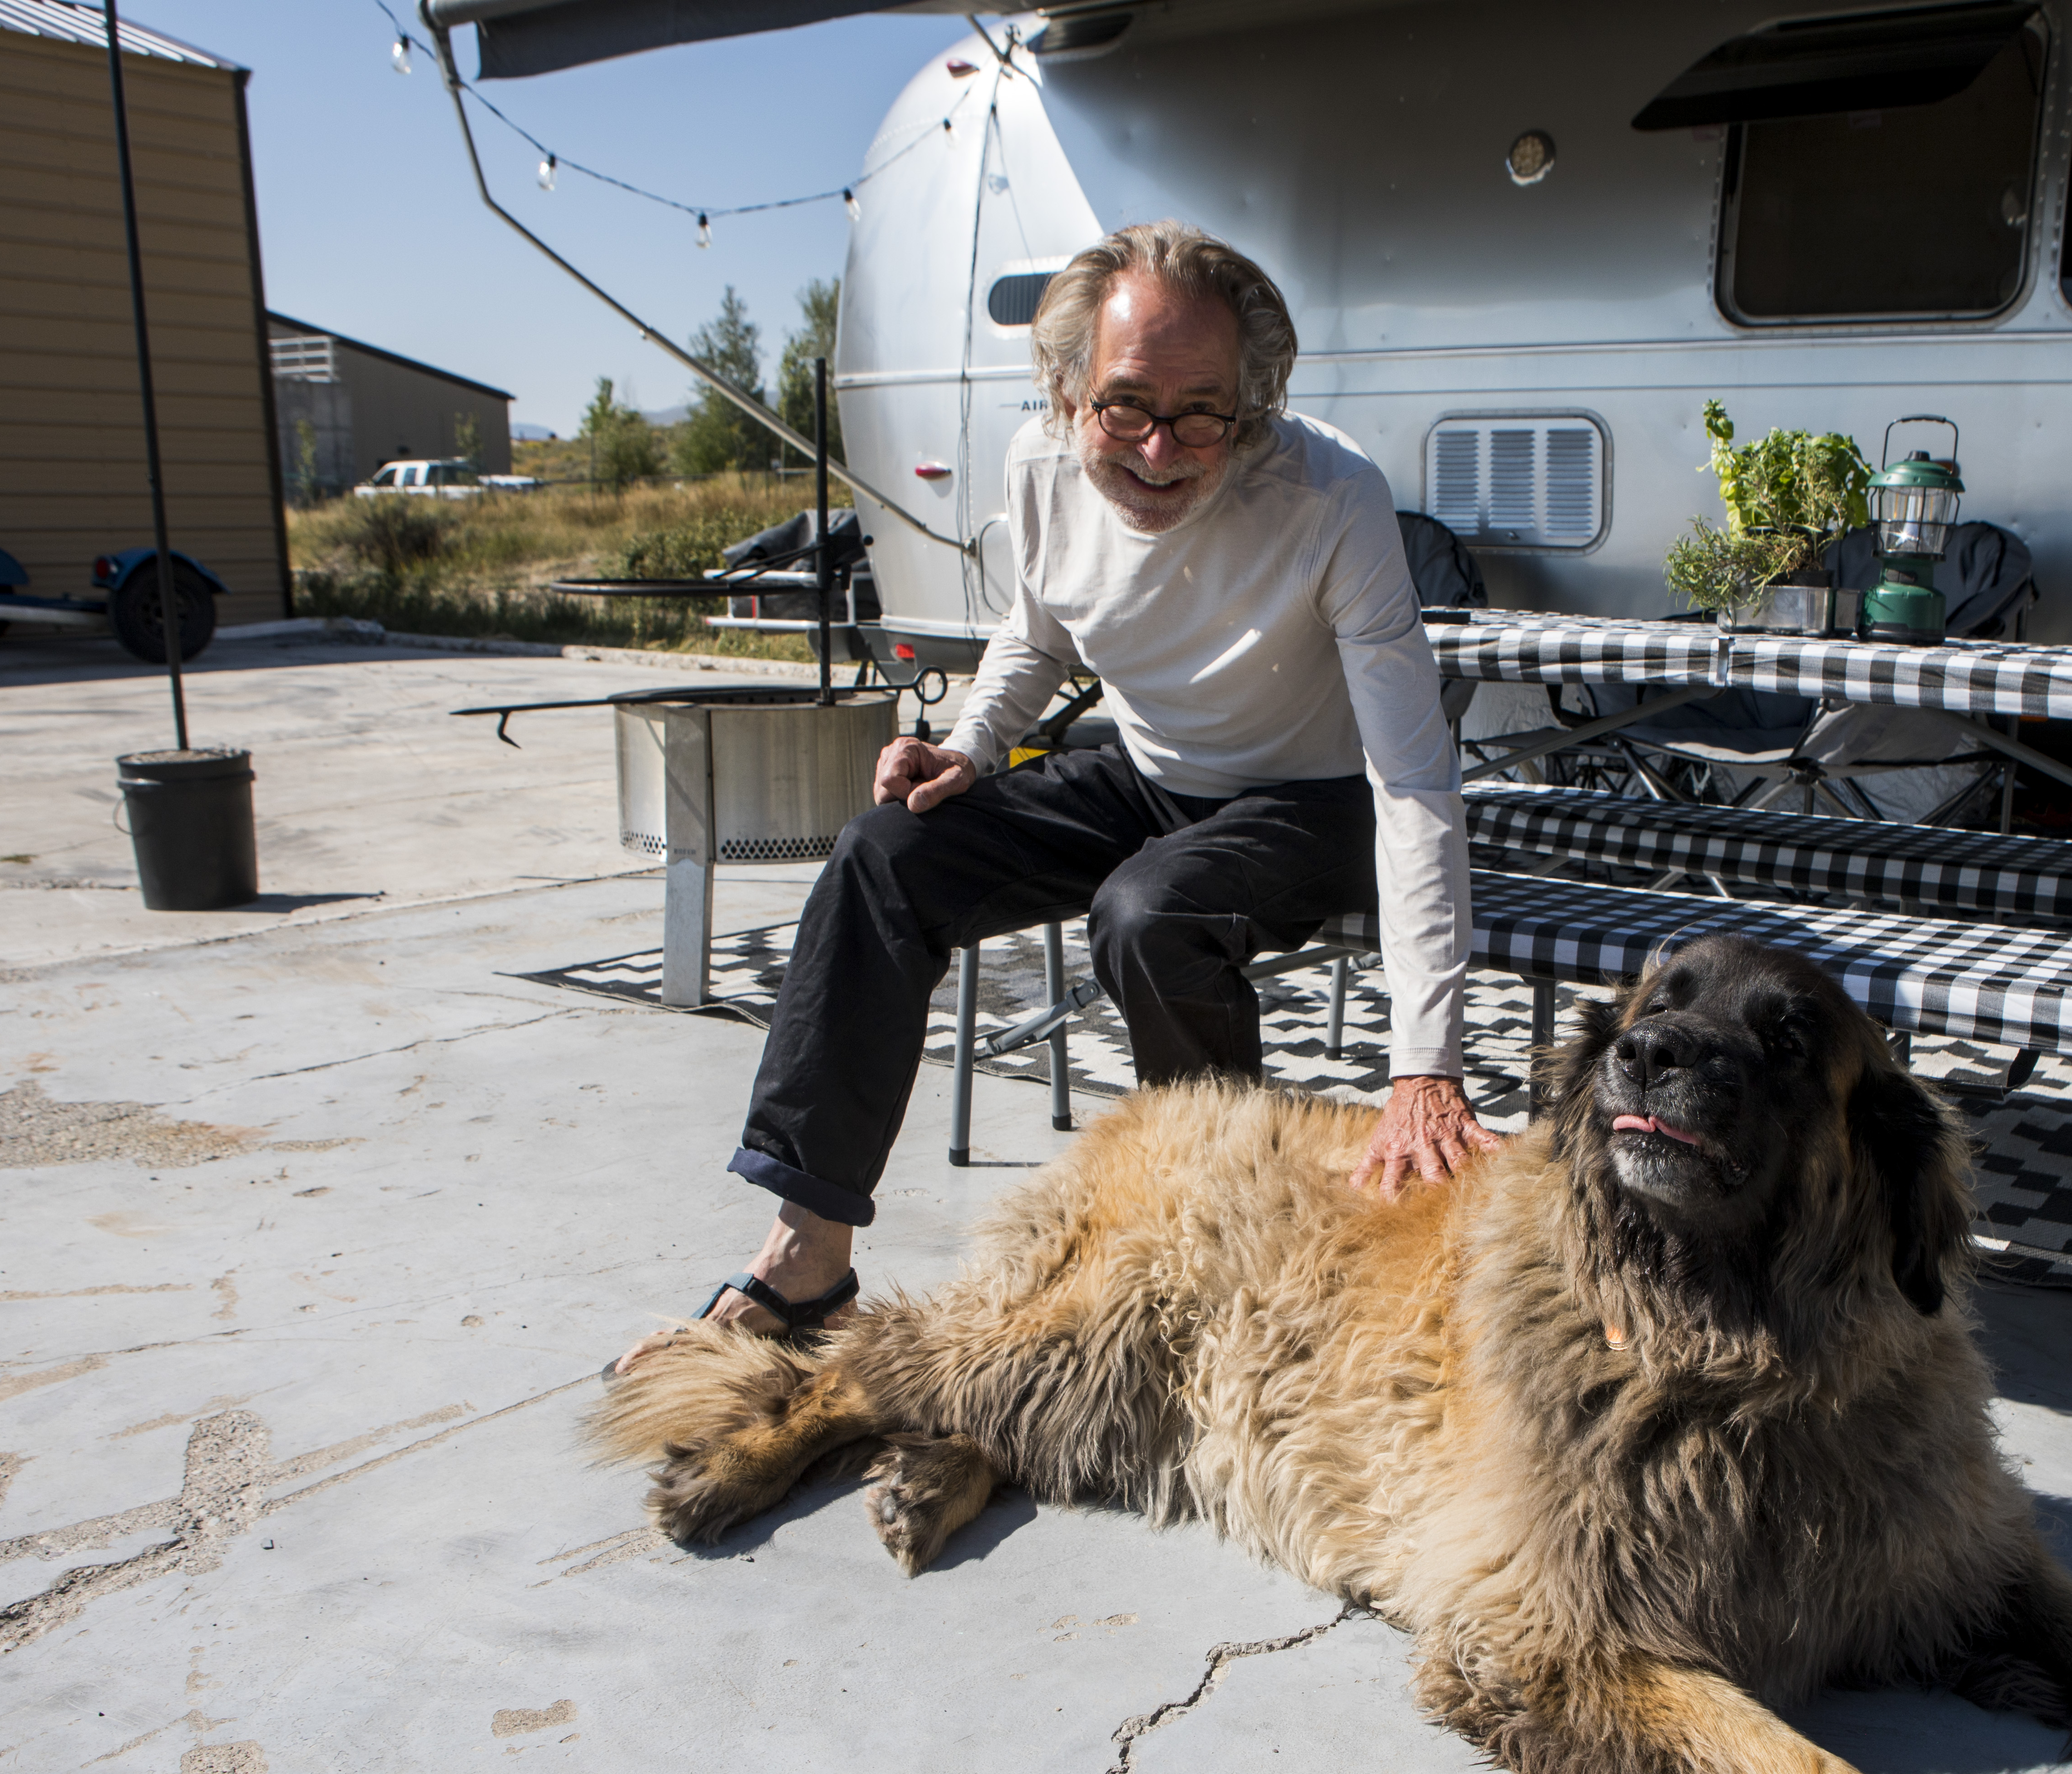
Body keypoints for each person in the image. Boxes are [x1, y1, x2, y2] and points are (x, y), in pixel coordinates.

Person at [621, 221, 1493, 1373]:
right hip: (1147, 770)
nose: (1160, 448)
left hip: (1316, 796)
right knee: (888, 852)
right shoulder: (1038, 467)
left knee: (1150, 911)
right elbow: (1035, 632)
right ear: (1069, 388)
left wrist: (1425, 1062)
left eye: (1203, 413)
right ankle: (806, 1257)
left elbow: (1415, 782)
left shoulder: (1332, 497)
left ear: (1256, 405)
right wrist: (971, 748)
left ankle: (1224, 1255)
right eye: (1125, 405)